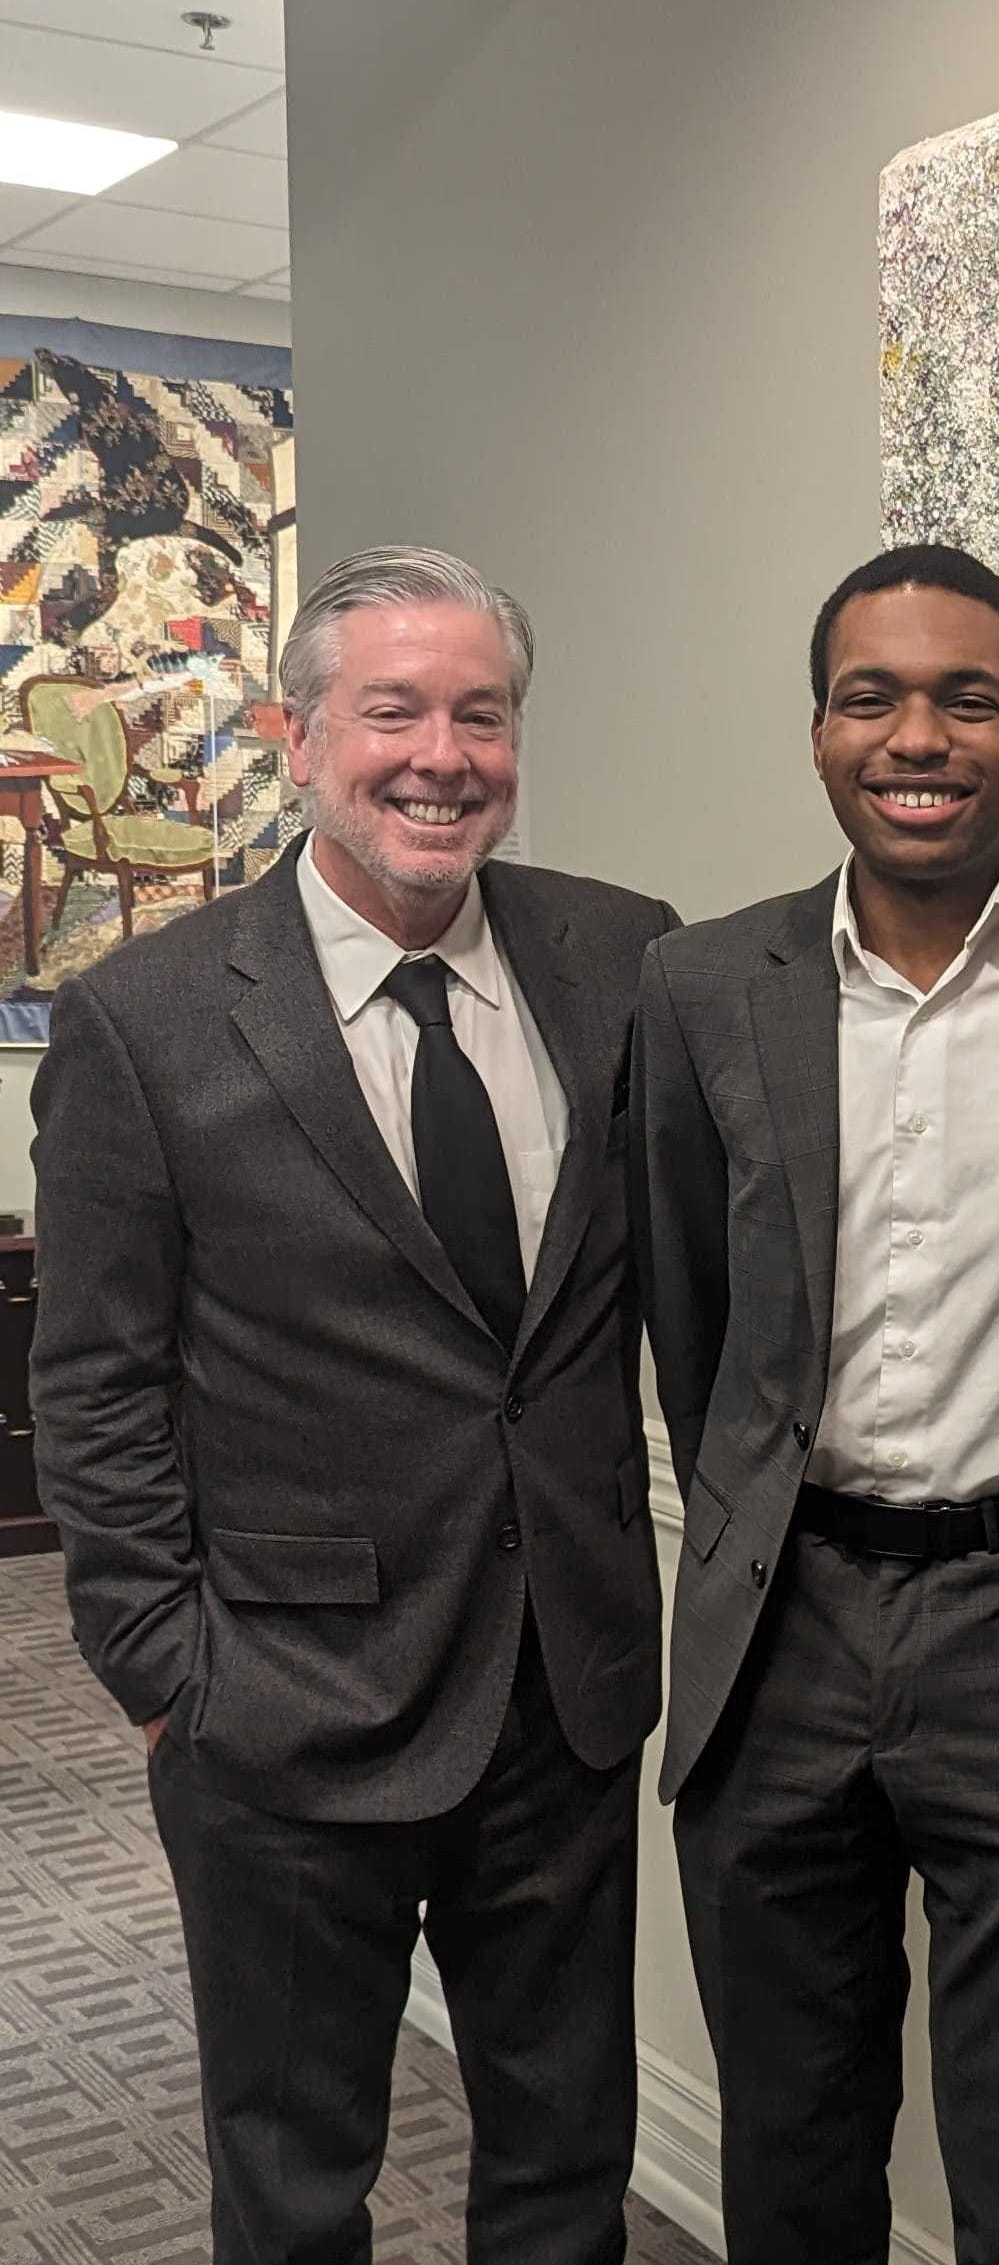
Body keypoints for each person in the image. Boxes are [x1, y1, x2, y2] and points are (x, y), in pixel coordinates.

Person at [29, 545, 678, 2263]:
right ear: (297, 736)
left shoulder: (625, 959)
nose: (439, 754)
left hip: (564, 1692)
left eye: (483, 713)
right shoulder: (146, 1021)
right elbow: (94, 1383)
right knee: (299, 2175)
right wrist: (166, 1669)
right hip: (283, 1706)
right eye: (392, 711)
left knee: (563, 2167)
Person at [632, 542, 999, 2265]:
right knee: (791, 2150)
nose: (917, 734)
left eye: (968, 697)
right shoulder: (706, 987)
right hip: (779, 1627)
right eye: (873, 696)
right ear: (819, 731)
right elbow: (689, 1308)